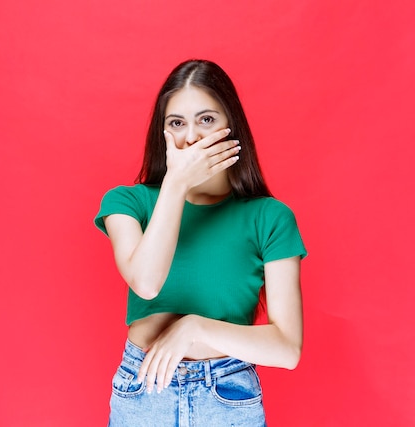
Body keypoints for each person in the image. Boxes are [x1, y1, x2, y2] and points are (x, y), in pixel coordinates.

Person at [94, 59, 307, 427]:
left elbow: (287, 349)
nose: (190, 137)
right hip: (145, 392)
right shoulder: (128, 203)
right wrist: (176, 184)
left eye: (206, 120)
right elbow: (146, 282)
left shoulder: (269, 218)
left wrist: (195, 327)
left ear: (231, 126)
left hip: (228, 395)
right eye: (176, 123)